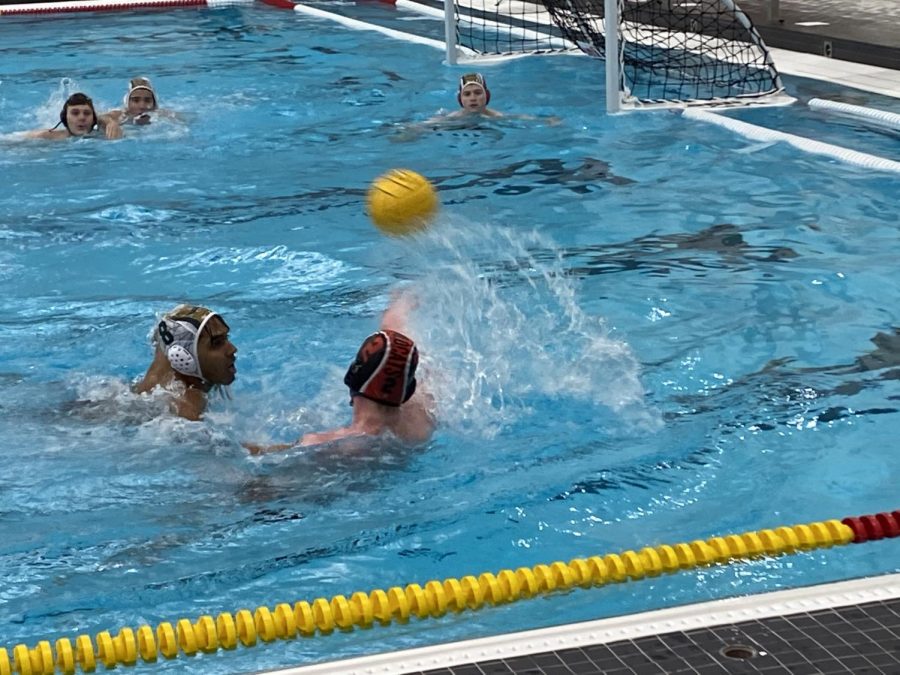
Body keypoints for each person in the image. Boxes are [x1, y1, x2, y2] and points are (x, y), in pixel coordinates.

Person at [245, 293, 435, 455]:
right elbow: (397, 344)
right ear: (409, 389)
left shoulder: (325, 445)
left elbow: (261, 458)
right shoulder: (422, 417)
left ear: (352, 376)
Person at [133, 304, 237, 421]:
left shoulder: (160, 369)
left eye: (226, 338)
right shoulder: (187, 411)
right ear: (182, 356)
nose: (232, 349)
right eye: (217, 343)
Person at [25, 92, 123, 140]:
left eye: (87, 113)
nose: (82, 117)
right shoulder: (46, 136)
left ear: (93, 119)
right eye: (75, 113)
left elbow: (121, 113)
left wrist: (110, 122)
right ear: (64, 118)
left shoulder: (103, 134)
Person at [100, 77, 180, 126]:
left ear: (154, 103)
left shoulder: (162, 115)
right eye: (136, 100)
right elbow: (101, 117)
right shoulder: (121, 115)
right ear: (127, 103)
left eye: (147, 100)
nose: (142, 106)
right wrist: (111, 123)